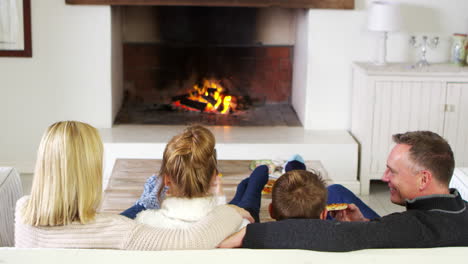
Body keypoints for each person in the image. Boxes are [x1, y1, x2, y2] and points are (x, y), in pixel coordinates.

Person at [219, 131, 468, 251]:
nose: (384, 178)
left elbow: (333, 235)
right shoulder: (459, 211)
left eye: (392, 171)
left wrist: (250, 233)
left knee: (333, 192)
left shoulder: (409, 228)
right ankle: (295, 169)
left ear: (424, 179)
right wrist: (368, 222)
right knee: (335, 190)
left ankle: (278, 178)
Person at [15, 121, 247, 250]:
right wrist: (231, 210)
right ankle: (144, 202)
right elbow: (191, 241)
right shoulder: (116, 229)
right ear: (90, 173)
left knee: (143, 205)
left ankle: (144, 201)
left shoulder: (22, 212)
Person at [122, 125, 267, 230]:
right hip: (225, 214)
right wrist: (231, 210)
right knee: (254, 186)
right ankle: (250, 186)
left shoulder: (144, 221)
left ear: (167, 181)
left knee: (245, 193)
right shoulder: (236, 224)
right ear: (215, 179)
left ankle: (246, 188)